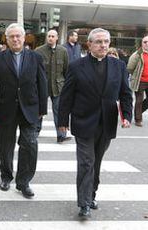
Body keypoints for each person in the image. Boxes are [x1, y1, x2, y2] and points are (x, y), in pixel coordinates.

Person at [58, 28, 133, 219]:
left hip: (106, 122)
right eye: (98, 42)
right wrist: (62, 122)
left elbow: (125, 94)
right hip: (83, 121)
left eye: (106, 41)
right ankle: (83, 204)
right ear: (89, 44)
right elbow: (66, 96)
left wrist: (127, 116)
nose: (103, 45)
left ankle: (91, 195)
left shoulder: (118, 66)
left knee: (96, 162)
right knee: (86, 162)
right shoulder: (76, 66)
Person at [0, 23, 48, 198]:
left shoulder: (35, 57)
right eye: (11, 36)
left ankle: (24, 181)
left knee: (30, 145)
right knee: (5, 146)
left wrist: (43, 108)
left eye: (18, 36)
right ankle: (6, 176)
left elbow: (42, 83)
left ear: (23, 37)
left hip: (30, 108)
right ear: (7, 38)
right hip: (6, 108)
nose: (15, 39)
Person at [35, 29, 70, 143]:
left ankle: (61, 135)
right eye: (48, 36)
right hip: (42, 86)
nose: (50, 38)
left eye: (52, 36)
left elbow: (66, 70)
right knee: (39, 110)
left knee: (59, 111)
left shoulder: (63, 51)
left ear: (57, 38)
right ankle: (35, 131)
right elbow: (34, 70)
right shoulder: (38, 51)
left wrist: (66, 85)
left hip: (58, 86)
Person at [127, 35, 148, 127]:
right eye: (145, 42)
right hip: (140, 81)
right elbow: (130, 68)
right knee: (139, 100)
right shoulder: (137, 55)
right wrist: (136, 76)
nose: (147, 44)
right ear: (142, 44)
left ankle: (137, 112)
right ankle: (138, 119)